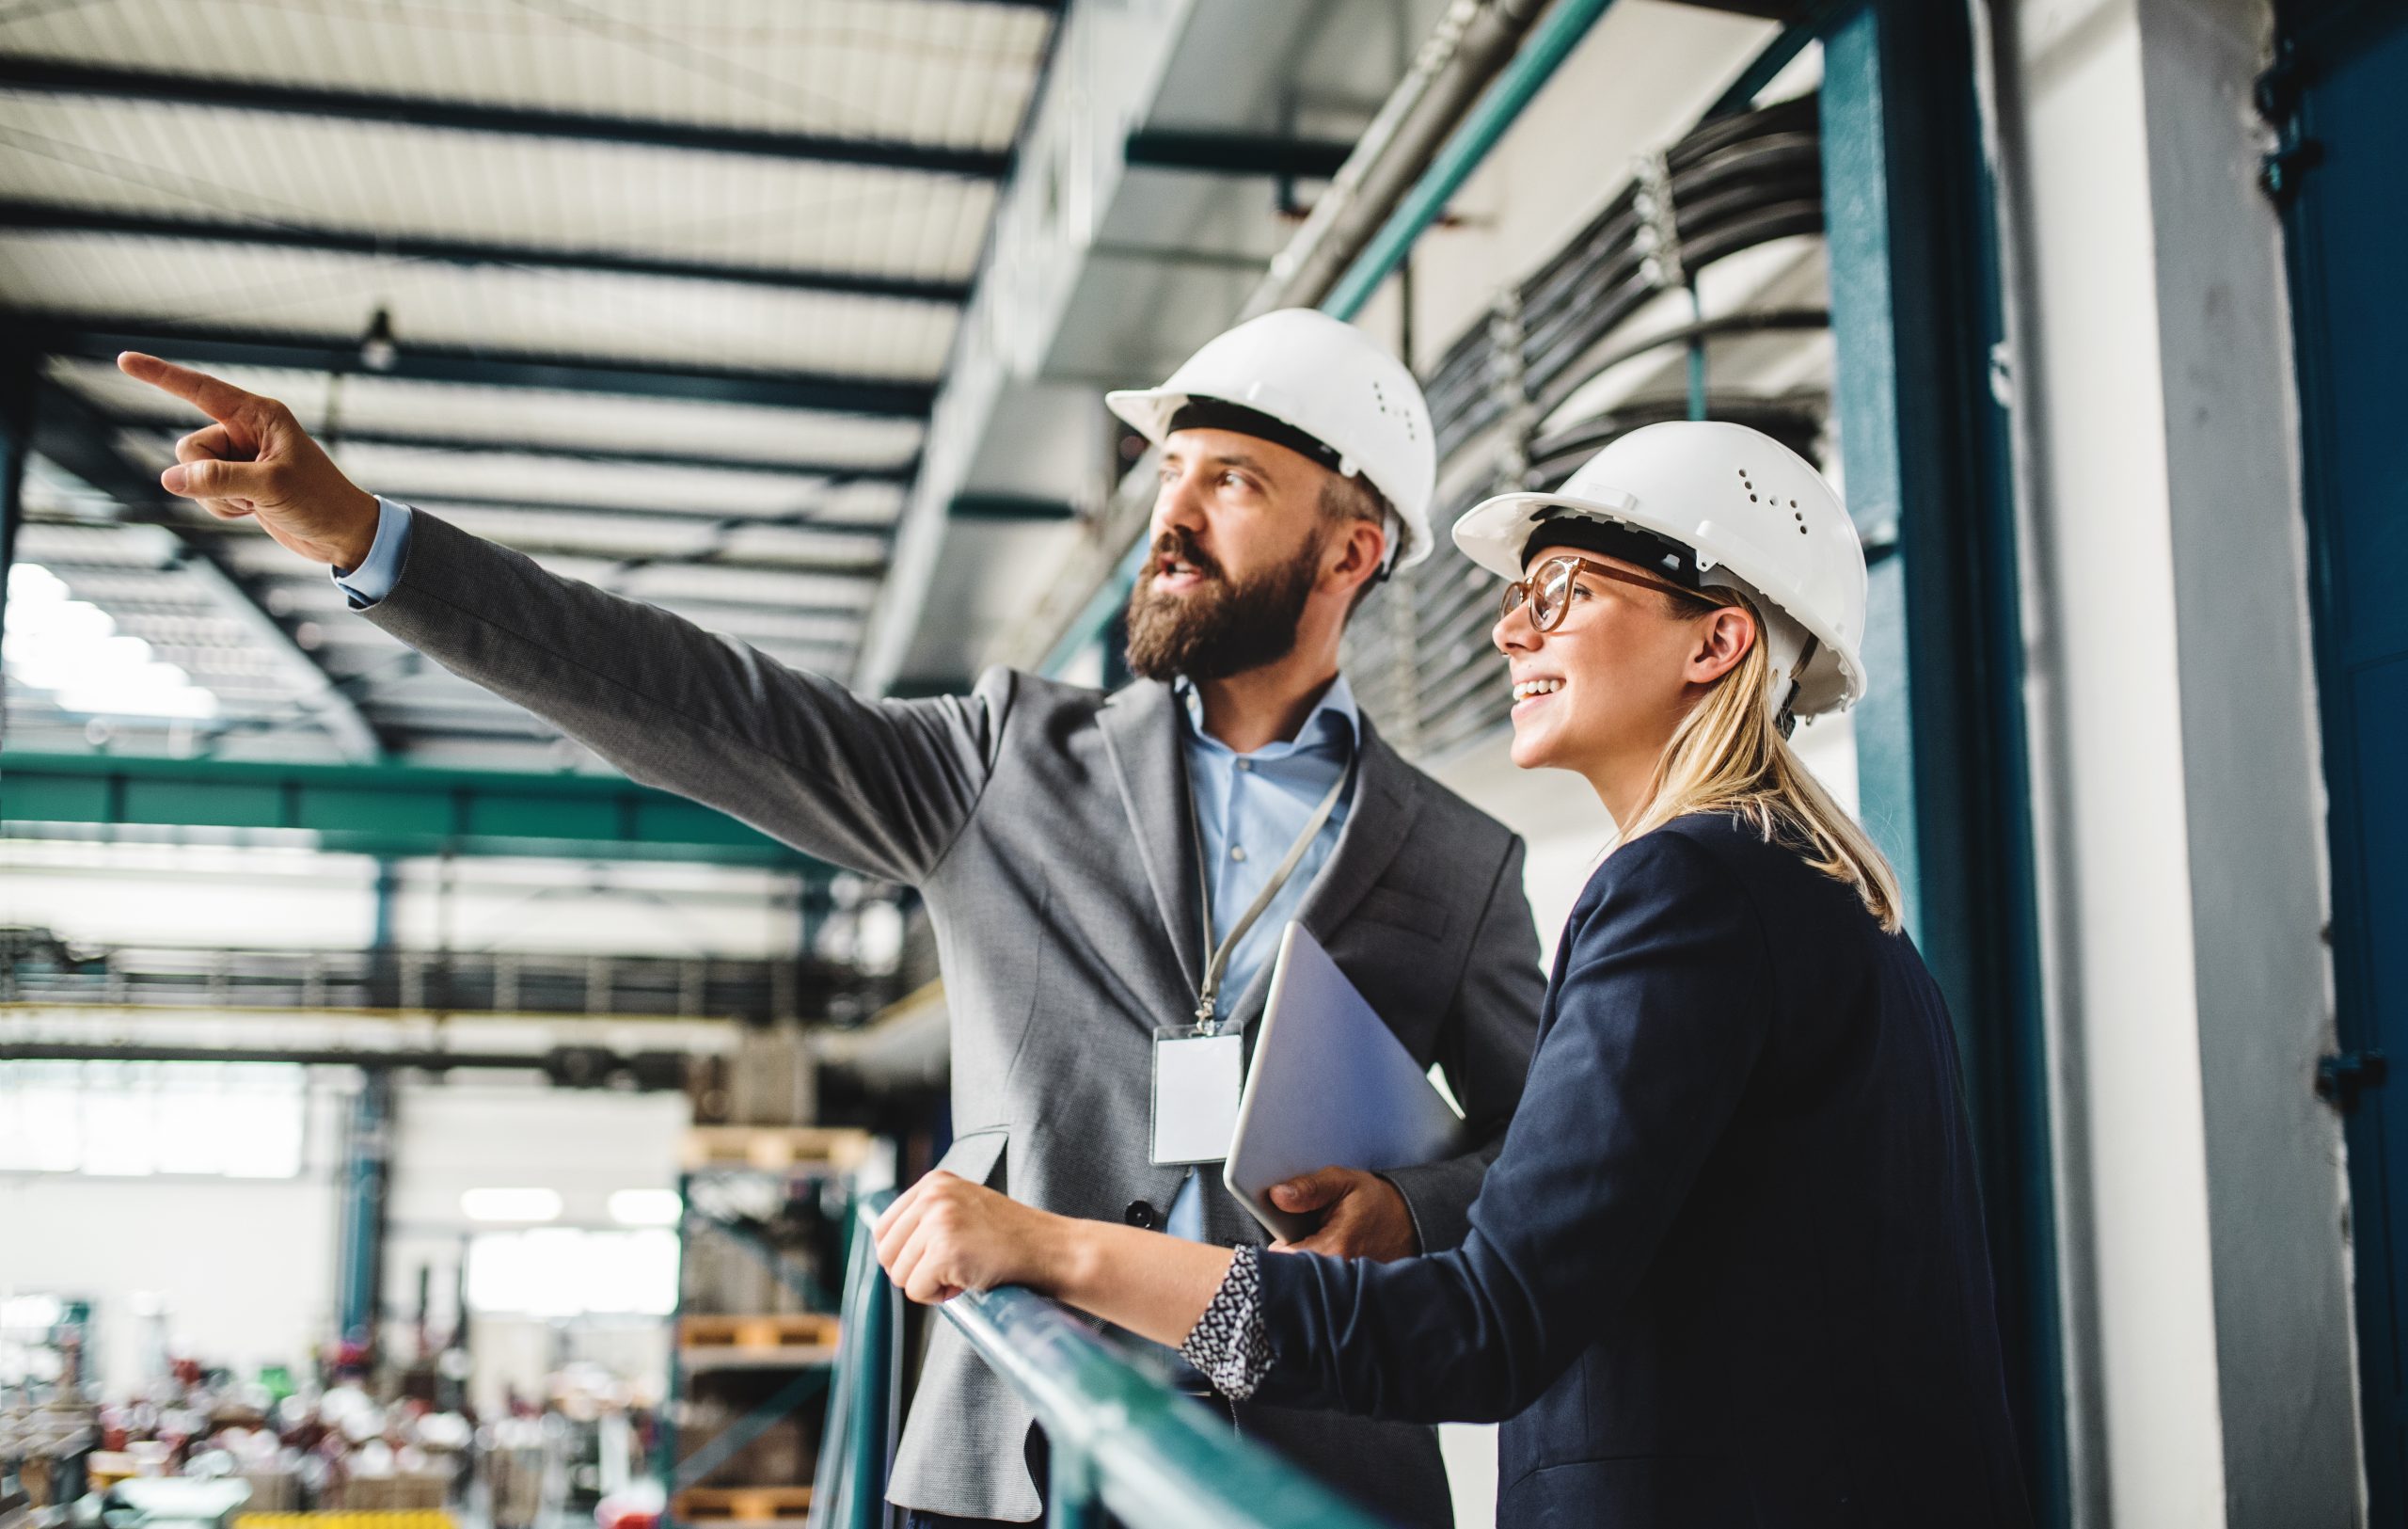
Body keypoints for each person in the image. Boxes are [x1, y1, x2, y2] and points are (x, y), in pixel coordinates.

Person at [115, 309, 1545, 1529]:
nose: (1167, 517)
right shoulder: (1001, 760)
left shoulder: (1456, 855)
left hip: (1309, 1460)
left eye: (1230, 481)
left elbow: (1556, 1156)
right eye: (1167, 472)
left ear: (1352, 550)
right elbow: (693, 698)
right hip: (1013, 1456)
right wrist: (370, 540)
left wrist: (1416, 1207)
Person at [868, 421, 2035, 1527]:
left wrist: (1060, 1251)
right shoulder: (1817, 896)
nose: (1510, 632)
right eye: (1518, 597)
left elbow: (1484, 1327)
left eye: (1563, 591)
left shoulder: (1687, 893)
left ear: (1715, 640)